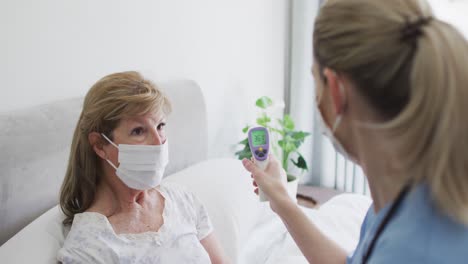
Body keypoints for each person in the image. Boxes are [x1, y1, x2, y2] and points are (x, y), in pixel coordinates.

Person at [242, 0, 468, 263]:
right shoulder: (405, 197)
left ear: (337, 91)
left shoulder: (413, 249)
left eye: (315, 79)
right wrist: (283, 203)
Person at [57, 71, 228, 263]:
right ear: (99, 145)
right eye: (138, 131)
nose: (158, 142)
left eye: (160, 126)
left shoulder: (182, 201)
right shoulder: (87, 248)